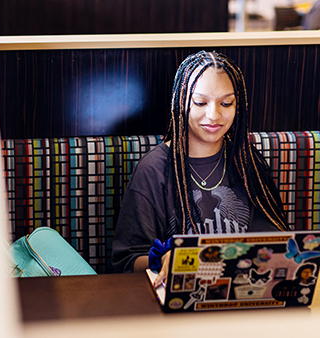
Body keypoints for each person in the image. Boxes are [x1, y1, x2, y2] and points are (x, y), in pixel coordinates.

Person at [111, 51, 290, 287]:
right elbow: (127, 260)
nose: (213, 115)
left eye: (226, 103)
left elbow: (276, 242)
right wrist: (165, 260)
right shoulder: (154, 169)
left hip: (248, 294)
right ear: (181, 102)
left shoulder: (249, 164)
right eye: (200, 102)